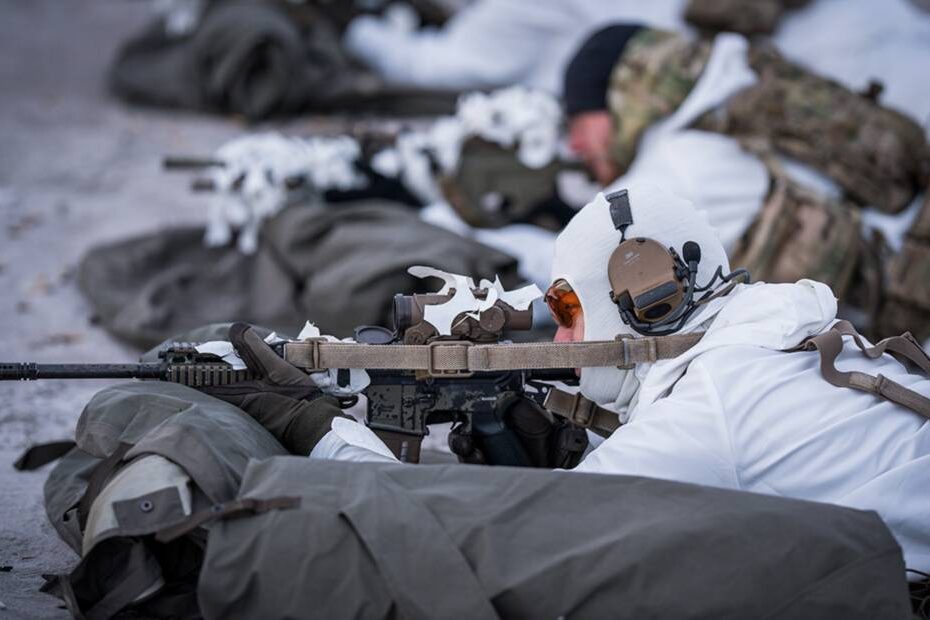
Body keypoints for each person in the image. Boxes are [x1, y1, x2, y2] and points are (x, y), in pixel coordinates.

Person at [215, 182, 930, 578]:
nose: (559, 336)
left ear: (646, 301)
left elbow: (497, 542)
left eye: (566, 309)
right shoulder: (773, 326)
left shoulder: (710, 407)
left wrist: (319, 428)